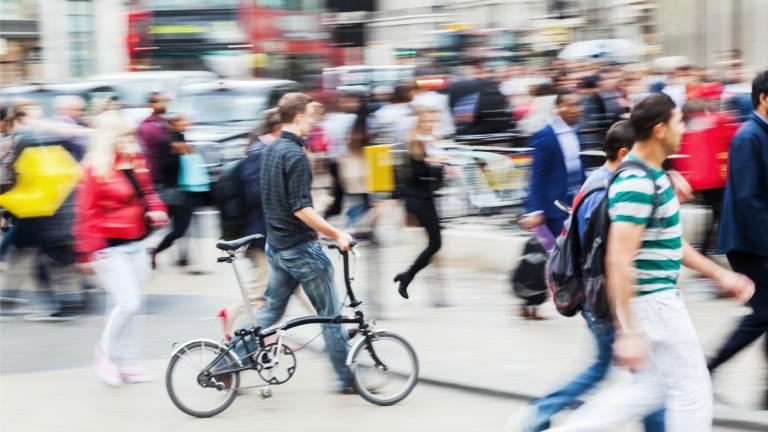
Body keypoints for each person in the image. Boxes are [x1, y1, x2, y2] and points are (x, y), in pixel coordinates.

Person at [546, 93, 754, 432]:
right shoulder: (637, 182)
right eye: (678, 122)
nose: (684, 129)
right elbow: (618, 257)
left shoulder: (652, 176)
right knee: (693, 389)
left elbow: (672, 243)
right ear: (660, 129)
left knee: (648, 389)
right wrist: (627, 331)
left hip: (655, 301)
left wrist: (721, 275)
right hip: (654, 301)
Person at [506, 121, 664, 432]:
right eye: (640, 155)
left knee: (609, 370)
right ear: (623, 153)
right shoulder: (606, 193)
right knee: (643, 378)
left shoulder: (598, 180)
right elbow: (605, 259)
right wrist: (624, 316)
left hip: (595, 298)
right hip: (602, 300)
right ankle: (540, 414)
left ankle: (539, 413)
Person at [241, 93, 354, 392]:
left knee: (268, 313)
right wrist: (336, 233)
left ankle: (230, 358)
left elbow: (275, 201)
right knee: (331, 317)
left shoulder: (272, 149)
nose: (313, 122)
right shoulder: (295, 155)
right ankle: (347, 379)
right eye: (310, 117)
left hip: (277, 247)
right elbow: (301, 207)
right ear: (299, 116)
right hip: (299, 250)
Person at [73, 111, 169, 386]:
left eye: (130, 135)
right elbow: (86, 212)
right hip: (109, 248)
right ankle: (105, 353)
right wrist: (89, 250)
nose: (130, 140)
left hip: (137, 243)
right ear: (109, 139)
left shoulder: (136, 161)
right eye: (123, 136)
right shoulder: (95, 168)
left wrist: (157, 209)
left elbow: (149, 193)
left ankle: (126, 362)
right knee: (128, 303)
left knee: (130, 307)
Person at [217, 108, 313, 338]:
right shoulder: (261, 154)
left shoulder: (267, 151)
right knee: (262, 291)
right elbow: (256, 194)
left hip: (275, 234)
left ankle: (333, 325)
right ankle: (234, 321)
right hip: (263, 235)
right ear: (279, 129)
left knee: (302, 282)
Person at [708, 70, 768, 409]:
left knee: (766, 313)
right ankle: (708, 368)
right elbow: (748, 199)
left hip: (758, 239)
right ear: (764, 98)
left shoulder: (762, 134)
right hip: (748, 242)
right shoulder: (748, 137)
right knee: (763, 313)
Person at [2, 101, 86, 321]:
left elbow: (6, 177)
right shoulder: (57, 139)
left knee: (35, 258)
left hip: (37, 211)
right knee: (43, 258)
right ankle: (69, 303)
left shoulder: (22, 140)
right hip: (58, 208)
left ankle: (66, 305)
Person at [393, 106, 447, 300]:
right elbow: (414, 176)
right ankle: (408, 276)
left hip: (428, 198)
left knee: (435, 243)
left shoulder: (433, 144)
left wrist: (441, 169)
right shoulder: (414, 144)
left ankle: (407, 276)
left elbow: (437, 182)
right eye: (427, 122)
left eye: (434, 122)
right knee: (435, 243)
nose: (431, 125)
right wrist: (430, 163)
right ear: (419, 123)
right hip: (416, 199)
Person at [521, 93, 585, 238]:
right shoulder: (545, 135)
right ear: (558, 108)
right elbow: (536, 175)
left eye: (579, 105)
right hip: (555, 211)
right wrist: (536, 210)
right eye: (572, 105)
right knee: (558, 254)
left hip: (575, 206)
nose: (577, 109)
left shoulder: (575, 133)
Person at [149, 114, 199, 269]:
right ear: (174, 124)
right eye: (183, 121)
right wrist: (177, 151)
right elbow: (163, 166)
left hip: (186, 190)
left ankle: (157, 252)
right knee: (177, 229)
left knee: (179, 230)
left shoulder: (181, 140)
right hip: (174, 192)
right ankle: (152, 251)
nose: (188, 123)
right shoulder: (167, 142)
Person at [136, 92, 171, 186]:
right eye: (160, 101)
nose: (164, 104)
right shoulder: (147, 126)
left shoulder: (166, 122)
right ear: (151, 105)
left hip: (169, 176)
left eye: (165, 101)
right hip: (156, 177)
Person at [53, 95, 88, 160]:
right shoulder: (68, 124)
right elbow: (82, 146)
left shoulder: (54, 122)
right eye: (79, 110)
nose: (81, 113)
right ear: (70, 109)